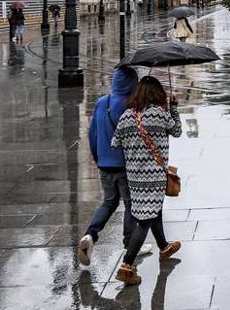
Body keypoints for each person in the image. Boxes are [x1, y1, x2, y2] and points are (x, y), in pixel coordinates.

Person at [112, 76, 183, 284]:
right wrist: (174, 108)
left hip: (134, 177)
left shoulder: (127, 116)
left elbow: (114, 142)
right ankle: (126, 265)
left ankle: (164, 247)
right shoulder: (160, 114)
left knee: (152, 211)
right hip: (154, 175)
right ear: (157, 93)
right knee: (145, 220)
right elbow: (177, 131)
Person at [77, 66, 141, 266]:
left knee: (109, 202)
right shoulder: (132, 106)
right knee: (130, 204)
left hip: (104, 163)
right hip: (125, 165)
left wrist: (98, 158)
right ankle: (129, 244)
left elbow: (92, 134)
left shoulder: (101, 103)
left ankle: (90, 235)